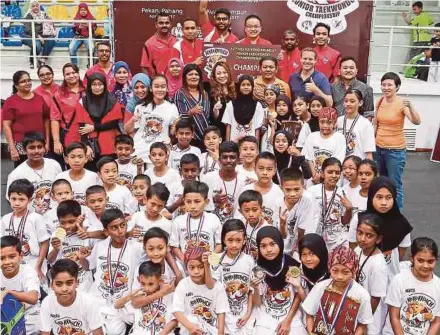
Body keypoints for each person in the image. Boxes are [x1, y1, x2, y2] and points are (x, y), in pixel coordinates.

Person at [77, 208, 144, 335]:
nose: (120, 231)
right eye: (114, 228)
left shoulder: (136, 248)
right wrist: (81, 258)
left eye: (122, 225)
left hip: (123, 303)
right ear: (106, 231)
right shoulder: (100, 246)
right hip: (98, 300)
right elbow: (87, 267)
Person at [374, 72, 421, 211]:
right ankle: (382, 210)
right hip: (378, 148)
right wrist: (371, 143)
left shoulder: (401, 103)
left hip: (395, 150)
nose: (386, 87)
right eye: (383, 84)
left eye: (390, 85)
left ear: (397, 87)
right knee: (381, 183)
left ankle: (397, 215)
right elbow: (376, 124)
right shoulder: (380, 101)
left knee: (395, 185)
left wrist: (411, 107)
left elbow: (416, 121)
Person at [302, 244, 373, 335]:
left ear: (354, 270)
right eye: (335, 271)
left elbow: (362, 324)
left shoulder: (361, 294)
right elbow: (309, 314)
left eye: (345, 272)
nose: (339, 277)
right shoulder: (320, 287)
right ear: (329, 268)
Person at [384, 237, 440, 335]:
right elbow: (394, 317)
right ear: (412, 258)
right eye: (421, 260)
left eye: (430, 261)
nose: (426, 266)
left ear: (436, 260)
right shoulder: (399, 280)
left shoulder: (438, 286)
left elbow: (436, 322)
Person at [251, 226, 302, 334]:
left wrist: (287, 321)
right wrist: (255, 288)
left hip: (290, 316)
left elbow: (298, 296)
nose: (268, 250)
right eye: (263, 246)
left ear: (280, 243)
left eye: (272, 244)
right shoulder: (257, 269)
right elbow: (258, 303)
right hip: (266, 317)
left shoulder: (292, 265)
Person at [211, 219, 256, 334]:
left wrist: (247, 314)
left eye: (238, 240)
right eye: (230, 240)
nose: (234, 245)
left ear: (244, 240)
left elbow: (251, 291)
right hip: (223, 316)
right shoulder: (216, 259)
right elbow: (213, 290)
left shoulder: (249, 261)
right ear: (223, 240)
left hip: (244, 315)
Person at [172, 246, 230, 335]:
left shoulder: (218, 286)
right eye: (192, 267)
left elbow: (221, 312)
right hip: (190, 329)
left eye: (200, 267)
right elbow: (176, 310)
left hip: (212, 329)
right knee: (192, 319)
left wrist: (220, 333)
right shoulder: (183, 284)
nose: (196, 271)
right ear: (186, 268)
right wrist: (191, 327)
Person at [366, 176, 413, 284]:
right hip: (365, 278)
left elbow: (401, 253)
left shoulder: (402, 224)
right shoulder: (361, 220)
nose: (383, 203)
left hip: (391, 280)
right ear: (371, 197)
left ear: (394, 198)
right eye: (379, 197)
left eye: (388, 197)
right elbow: (354, 245)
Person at [2, 179, 50, 282]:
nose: (17, 203)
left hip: (32, 261)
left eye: (21, 199)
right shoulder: (5, 219)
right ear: (8, 198)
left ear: (30, 200)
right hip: (11, 262)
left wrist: (38, 266)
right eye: (13, 199)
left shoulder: (35, 218)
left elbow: (44, 243)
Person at [40, 259, 104, 335]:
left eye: (69, 283)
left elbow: (98, 333)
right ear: (51, 285)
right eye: (59, 284)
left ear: (77, 283)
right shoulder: (47, 303)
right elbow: (45, 332)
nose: (64, 289)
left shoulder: (89, 303)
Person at [126, 75, 178, 165]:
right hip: (139, 152)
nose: (160, 90)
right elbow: (129, 130)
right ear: (151, 88)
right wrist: (132, 120)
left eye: (163, 86)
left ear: (167, 88)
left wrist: (175, 126)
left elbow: (172, 133)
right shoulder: (140, 107)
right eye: (156, 86)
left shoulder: (172, 107)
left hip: (158, 154)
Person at [6, 132, 62, 214]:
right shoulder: (17, 174)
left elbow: (62, 188)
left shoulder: (54, 165)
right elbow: (10, 199)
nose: (37, 151)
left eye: (40, 147)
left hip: (55, 216)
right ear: (25, 150)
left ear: (44, 148)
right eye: (32, 148)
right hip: (31, 219)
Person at [3, 71, 50, 167]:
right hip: (21, 145)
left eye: (29, 80)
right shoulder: (10, 101)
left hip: (39, 143)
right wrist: (12, 148)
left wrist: (47, 142)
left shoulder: (39, 99)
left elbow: (46, 120)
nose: (27, 83)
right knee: (22, 175)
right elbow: (6, 126)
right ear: (16, 85)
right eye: (23, 81)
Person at [46, 200, 95, 292]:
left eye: (71, 221)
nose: (67, 226)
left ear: (79, 218)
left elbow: (90, 265)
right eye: (63, 222)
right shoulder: (57, 234)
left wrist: (83, 256)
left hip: (85, 285)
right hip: (63, 284)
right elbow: (50, 260)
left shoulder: (87, 233)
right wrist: (56, 250)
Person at [77, 72, 124, 167]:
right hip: (91, 148)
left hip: (109, 145)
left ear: (104, 85)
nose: (97, 87)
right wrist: (86, 146)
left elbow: (114, 123)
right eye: (94, 84)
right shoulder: (83, 102)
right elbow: (82, 127)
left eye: (100, 84)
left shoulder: (112, 101)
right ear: (89, 86)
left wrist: (94, 127)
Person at [307, 157, 353, 251]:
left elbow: (344, 221)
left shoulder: (343, 192)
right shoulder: (311, 192)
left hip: (337, 240)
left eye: (337, 172)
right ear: (323, 173)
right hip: (316, 238)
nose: (334, 175)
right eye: (330, 172)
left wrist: (349, 209)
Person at [354, 212, 388, 335]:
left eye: (369, 235)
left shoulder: (378, 264)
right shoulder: (357, 250)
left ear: (378, 239)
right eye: (360, 233)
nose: (362, 238)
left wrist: (364, 323)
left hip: (370, 315)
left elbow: (375, 297)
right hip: (356, 308)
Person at [170, 181, 222, 260]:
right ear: (184, 201)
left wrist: (211, 259)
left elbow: (219, 244)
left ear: (206, 202)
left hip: (208, 265)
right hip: (186, 267)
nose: (193, 206)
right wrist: (186, 261)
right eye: (188, 202)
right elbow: (174, 246)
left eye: (197, 201)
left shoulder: (213, 219)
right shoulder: (178, 221)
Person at [289, 234, 329, 334]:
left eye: (312, 254)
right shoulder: (300, 272)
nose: (308, 259)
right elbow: (308, 304)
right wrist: (298, 286)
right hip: (307, 317)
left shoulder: (332, 273)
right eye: (304, 254)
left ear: (321, 253)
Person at [0, 236, 41, 335]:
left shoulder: (27, 272)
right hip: (5, 317)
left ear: (21, 256)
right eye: (2, 258)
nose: (7, 262)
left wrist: (9, 292)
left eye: (12, 256)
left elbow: (33, 298)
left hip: (29, 317)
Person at [126, 261, 178, 335]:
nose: (147, 288)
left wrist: (162, 333)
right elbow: (134, 304)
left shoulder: (170, 295)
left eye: (151, 284)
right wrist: (160, 293)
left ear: (160, 280)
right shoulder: (139, 293)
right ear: (138, 280)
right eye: (143, 283)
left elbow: (175, 319)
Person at [275, 168, 317, 257]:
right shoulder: (278, 203)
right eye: (288, 190)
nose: (293, 194)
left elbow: (302, 229)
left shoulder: (307, 199)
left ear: (304, 186)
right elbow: (282, 235)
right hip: (284, 246)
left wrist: (297, 250)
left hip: (302, 243)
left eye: (297, 189)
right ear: (281, 188)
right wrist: (282, 224)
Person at [203, 141, 248, 223]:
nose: (228, 160)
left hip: (237, 226)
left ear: (238, 159)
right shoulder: (208, 178)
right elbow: (200, 204)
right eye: (225, 157)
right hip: (212, 225)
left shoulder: (245, 180)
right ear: (219, 159)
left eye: (232, 157)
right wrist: (213, 199)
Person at [302, 107, 346, 184]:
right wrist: (315, 176)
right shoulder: (312, 136)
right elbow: (309, 159)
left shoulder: (339, 137)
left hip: (333, 178)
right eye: (322, 122)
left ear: (335, 123)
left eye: (329, 123)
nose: (325, 125)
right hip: (314, 179)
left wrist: (325, 178)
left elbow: (337, 161)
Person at [51, 63, 86, 155]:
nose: (71, 76)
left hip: (89, 136)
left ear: (78, 73)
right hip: (70, 137)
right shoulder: (59, 94)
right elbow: (55, 119)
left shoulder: (89, 90)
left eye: (74, 72)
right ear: (64, 76)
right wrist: (56, 142)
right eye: (67, 74)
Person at [242, 152, 284, 226]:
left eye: (269, 169)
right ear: (255, 169)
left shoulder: (280, 193)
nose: (265, 172)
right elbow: (239, 217)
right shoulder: (245, 190)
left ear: (274, 170)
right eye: (261, 168)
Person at [174, 64, 210, 147]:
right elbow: (178, 118)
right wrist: (191, 112)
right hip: (188, 138)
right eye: (190, 74)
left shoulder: (204, 93)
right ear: (185, 77)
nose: (194, 77)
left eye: (196, 74)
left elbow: (207, 116)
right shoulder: (180, 93)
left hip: (206, 138)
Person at [222, 75, 265, 142]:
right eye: (243, 85)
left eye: (248, 85)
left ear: (252, 87)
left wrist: (256, 146)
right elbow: (228, 126)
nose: (246, 87)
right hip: (233, 143)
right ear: (239, 86)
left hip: (250, 145)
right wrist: (227, 145)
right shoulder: (231, 104)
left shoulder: (257, 106)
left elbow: (257, 129)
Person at [347, 159, 378, 248]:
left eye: (368, 174)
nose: (363, 177)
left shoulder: (379, 198)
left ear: (375, 176)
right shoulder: (351, 194)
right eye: (360, 174)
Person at [336, 89, 376, 159]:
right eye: (346, 101)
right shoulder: (338, 121)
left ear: (360, 103)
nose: (348, 104)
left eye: (352, 101)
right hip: (340, 164)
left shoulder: (365, 124)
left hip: (358, 165)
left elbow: (369, 153)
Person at [141, 11, 177, 76]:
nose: (164, 25)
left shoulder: (177, 41)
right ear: (156, 25)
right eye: (161, 23)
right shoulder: (149, 44)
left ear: (170, 24)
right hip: (158, 83)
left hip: (175, 82)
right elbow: (144, 67)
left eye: (167, 23)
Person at [22, 0, 55, 69]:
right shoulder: (28, 16)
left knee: (51, 39)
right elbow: (27, 30)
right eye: (33, 6)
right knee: (37, 46)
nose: (35, 7)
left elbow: (50, 22)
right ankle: (32, 61)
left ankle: (42, 60)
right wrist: (38, 36)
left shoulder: (43, 14)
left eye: (37, 6)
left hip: (42, 35)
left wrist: (50, 22)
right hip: (28, 36)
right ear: (31, 7)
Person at [166, 153, 202, 218]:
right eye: (186, 170)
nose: (189, 174)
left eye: (193, 170)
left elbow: (208, 211)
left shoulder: (203, 188)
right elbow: (165, 212)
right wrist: (177, 203)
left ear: (199, 170)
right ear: (180, 171)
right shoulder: (172, 187)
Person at [238, 190, 270, 261]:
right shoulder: (240, 224)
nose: (251, 214)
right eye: (246, 211)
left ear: (262, 209)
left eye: (255, 210)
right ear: (240, 211)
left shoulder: (267, 229)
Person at [209, 61, 236, 138]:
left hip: (234, 130)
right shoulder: (211, 93)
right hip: (219, 131)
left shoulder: (235, 90)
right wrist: (215, 110)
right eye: (219, 73)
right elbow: (213, 119)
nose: (222, 75)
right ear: (214, 75)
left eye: (225, 72)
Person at [69, 3, 96, 67]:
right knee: (71, 48)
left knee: (91, 48)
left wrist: (88, 26)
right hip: (78, 37)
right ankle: (74, 66)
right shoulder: (76, 18)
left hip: (88, 37)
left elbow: (94, 28)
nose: (83, 11)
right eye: (81, 10)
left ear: (87, 10)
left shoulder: (91, 18)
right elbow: (74, 30)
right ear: (79, 11)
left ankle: (90, 65)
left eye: (84, 10)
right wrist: (79, 28)